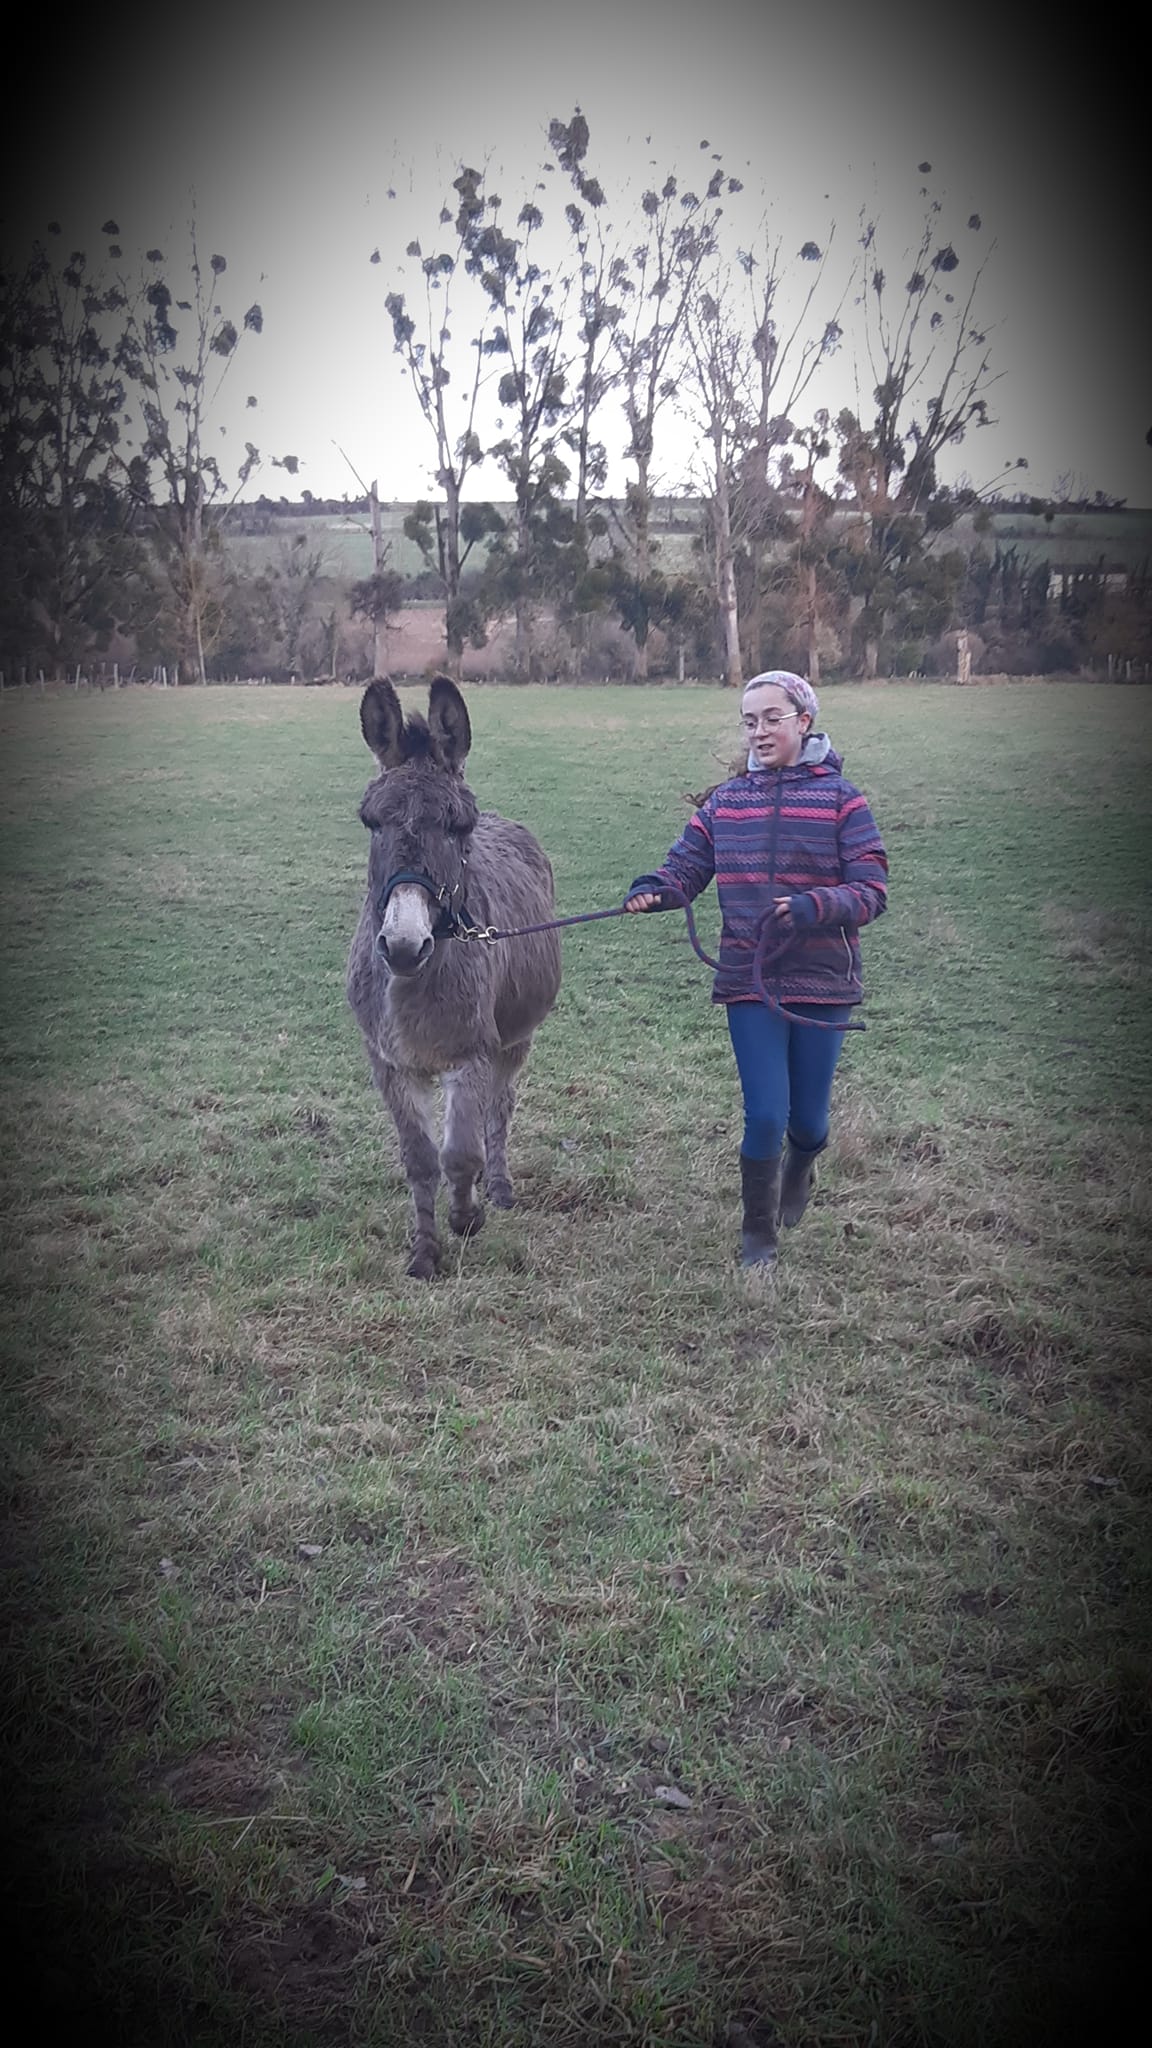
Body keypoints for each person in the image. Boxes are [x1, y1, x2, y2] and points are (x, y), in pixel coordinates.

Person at [625, 670, 888, 1269]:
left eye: (772, 718)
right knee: (765, 1112)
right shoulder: (727, 801)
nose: (760, 731)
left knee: (811, 1124)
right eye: (750, 721)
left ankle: (803, 1163)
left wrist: (813, 907)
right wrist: (656, 891)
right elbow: (685, 868)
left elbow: (872, 890)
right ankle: (757, 1240)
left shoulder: (842, 800)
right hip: (749, 977)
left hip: (823, 980)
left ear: (804, 720)